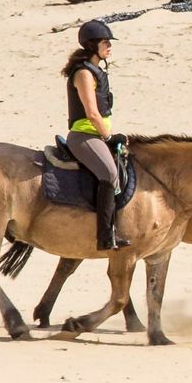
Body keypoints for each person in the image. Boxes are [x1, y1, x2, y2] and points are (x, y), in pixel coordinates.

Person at [64, 19, 129, 250]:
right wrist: (109, 137)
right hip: (84, 136)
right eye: (105, 42)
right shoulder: (83, 74)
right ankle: (105, 236)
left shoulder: (97, 71)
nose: (109, 46)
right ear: (93, 46)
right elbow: (92, 113)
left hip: (98, 135)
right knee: (109, 173)